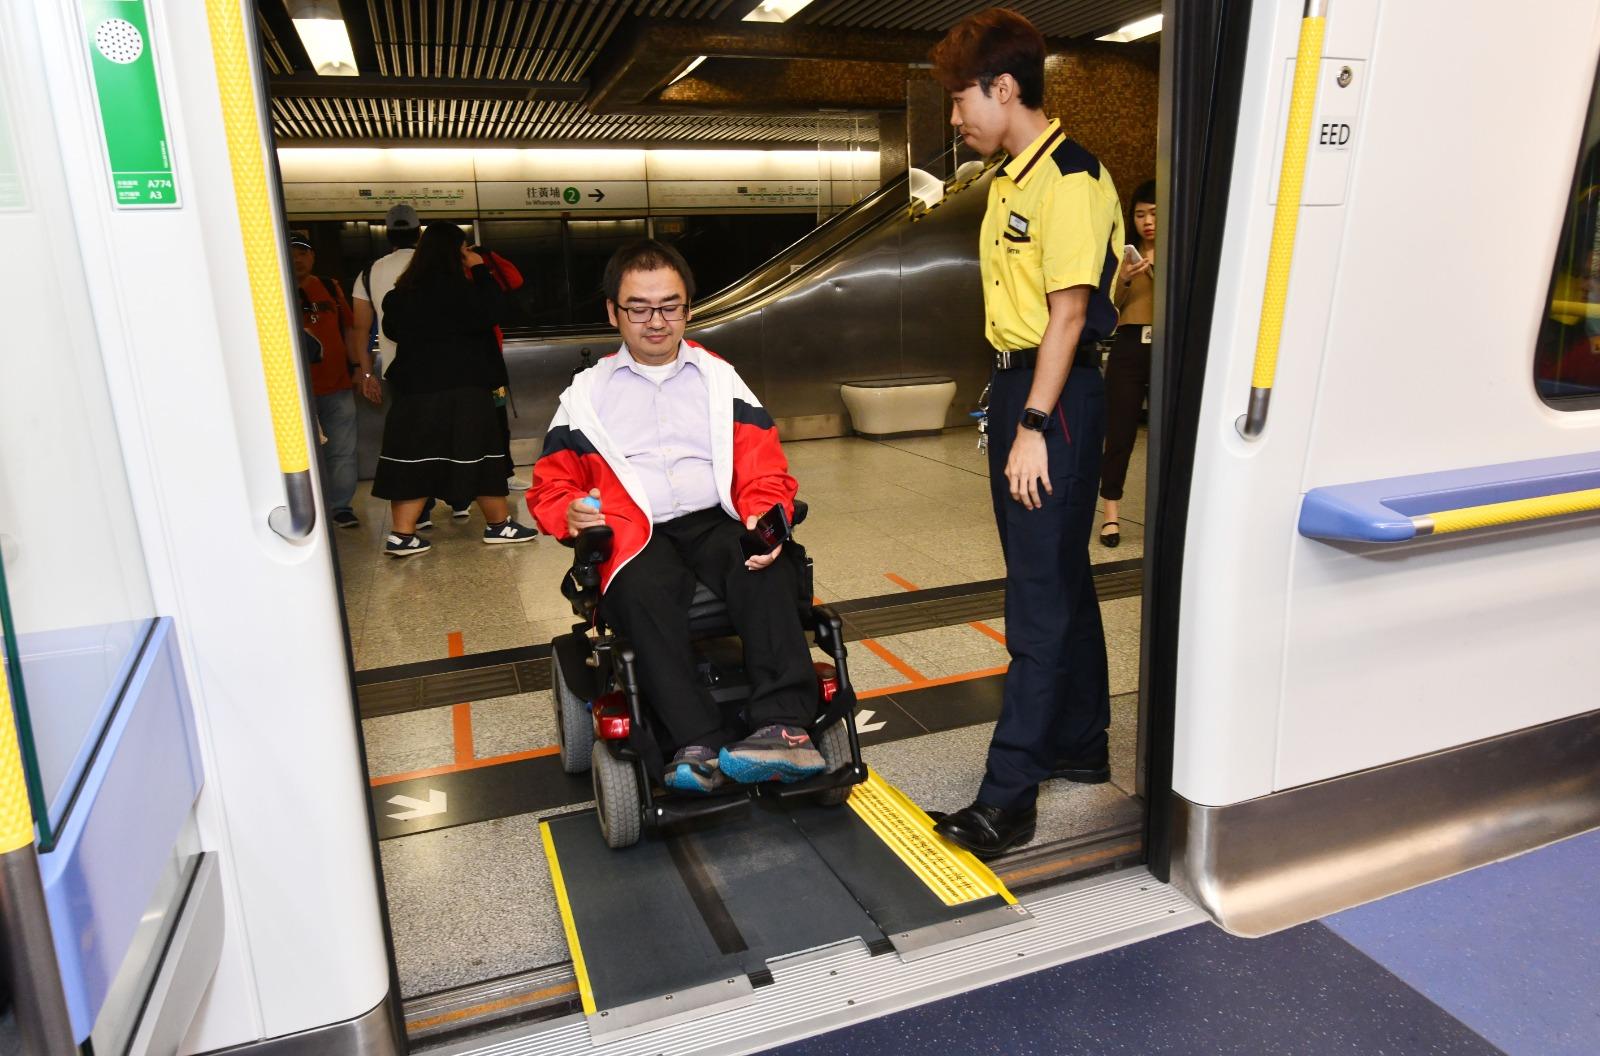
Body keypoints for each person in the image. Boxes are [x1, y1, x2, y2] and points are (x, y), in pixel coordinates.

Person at [927, 8, 1123, 857]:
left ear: (1004, 88)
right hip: (1022, 386)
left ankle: (1009, 799)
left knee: (1037, 600)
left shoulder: (1070, 179)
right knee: (1060, 579)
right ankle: (1080, 744)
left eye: (960, 98)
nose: (955, 117)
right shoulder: (1009, 178)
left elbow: (1068, 315)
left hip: (1056, 396)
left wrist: (1035, 423)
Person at [528, 239, 826, 793]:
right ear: (613, 312)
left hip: (716, 517)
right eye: (639, 308)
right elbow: (552, 484)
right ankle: (695, 740)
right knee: (642, 590)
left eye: (669, 306)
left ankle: (783, 726)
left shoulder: (720, 379)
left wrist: (764, 515)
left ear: (688, 309)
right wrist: (566, 512)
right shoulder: (586, 396)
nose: (656, 321)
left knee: (764, 566)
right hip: (634, 531)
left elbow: (764, 467)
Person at [372, 223, 538, 556]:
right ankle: (499, 525)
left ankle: (402, 534)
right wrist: (480, 269)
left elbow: (391, 331)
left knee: (413, 459)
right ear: (455, 252)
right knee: (482, 455)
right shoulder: (467, 292)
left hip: (415, 391)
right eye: (463, 248)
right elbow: (497, 310)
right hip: (465, 388)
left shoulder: (400, 295)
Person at [290, 230, 378, 529]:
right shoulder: (272, 289)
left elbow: (350, 330)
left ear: (313, 256)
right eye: (291, 253)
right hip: (293, 391)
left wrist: (358, 368)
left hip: (337, 384)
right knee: (301, 453)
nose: (297, 259)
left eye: (303, 253)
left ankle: (340, 507)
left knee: (341, 449)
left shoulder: (330, 287)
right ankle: (307, 507)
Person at [1099, 179, 1156, 547]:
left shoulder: (1179, 253)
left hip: (1168, 346)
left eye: (1154, 214)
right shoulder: (1124, 258)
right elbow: (1109, 305)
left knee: (1169, 435)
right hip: (1130, 344)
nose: (1147, 222)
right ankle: (1110, 515)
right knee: (1119, 432)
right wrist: (1123, 278)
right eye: (1139, 215)